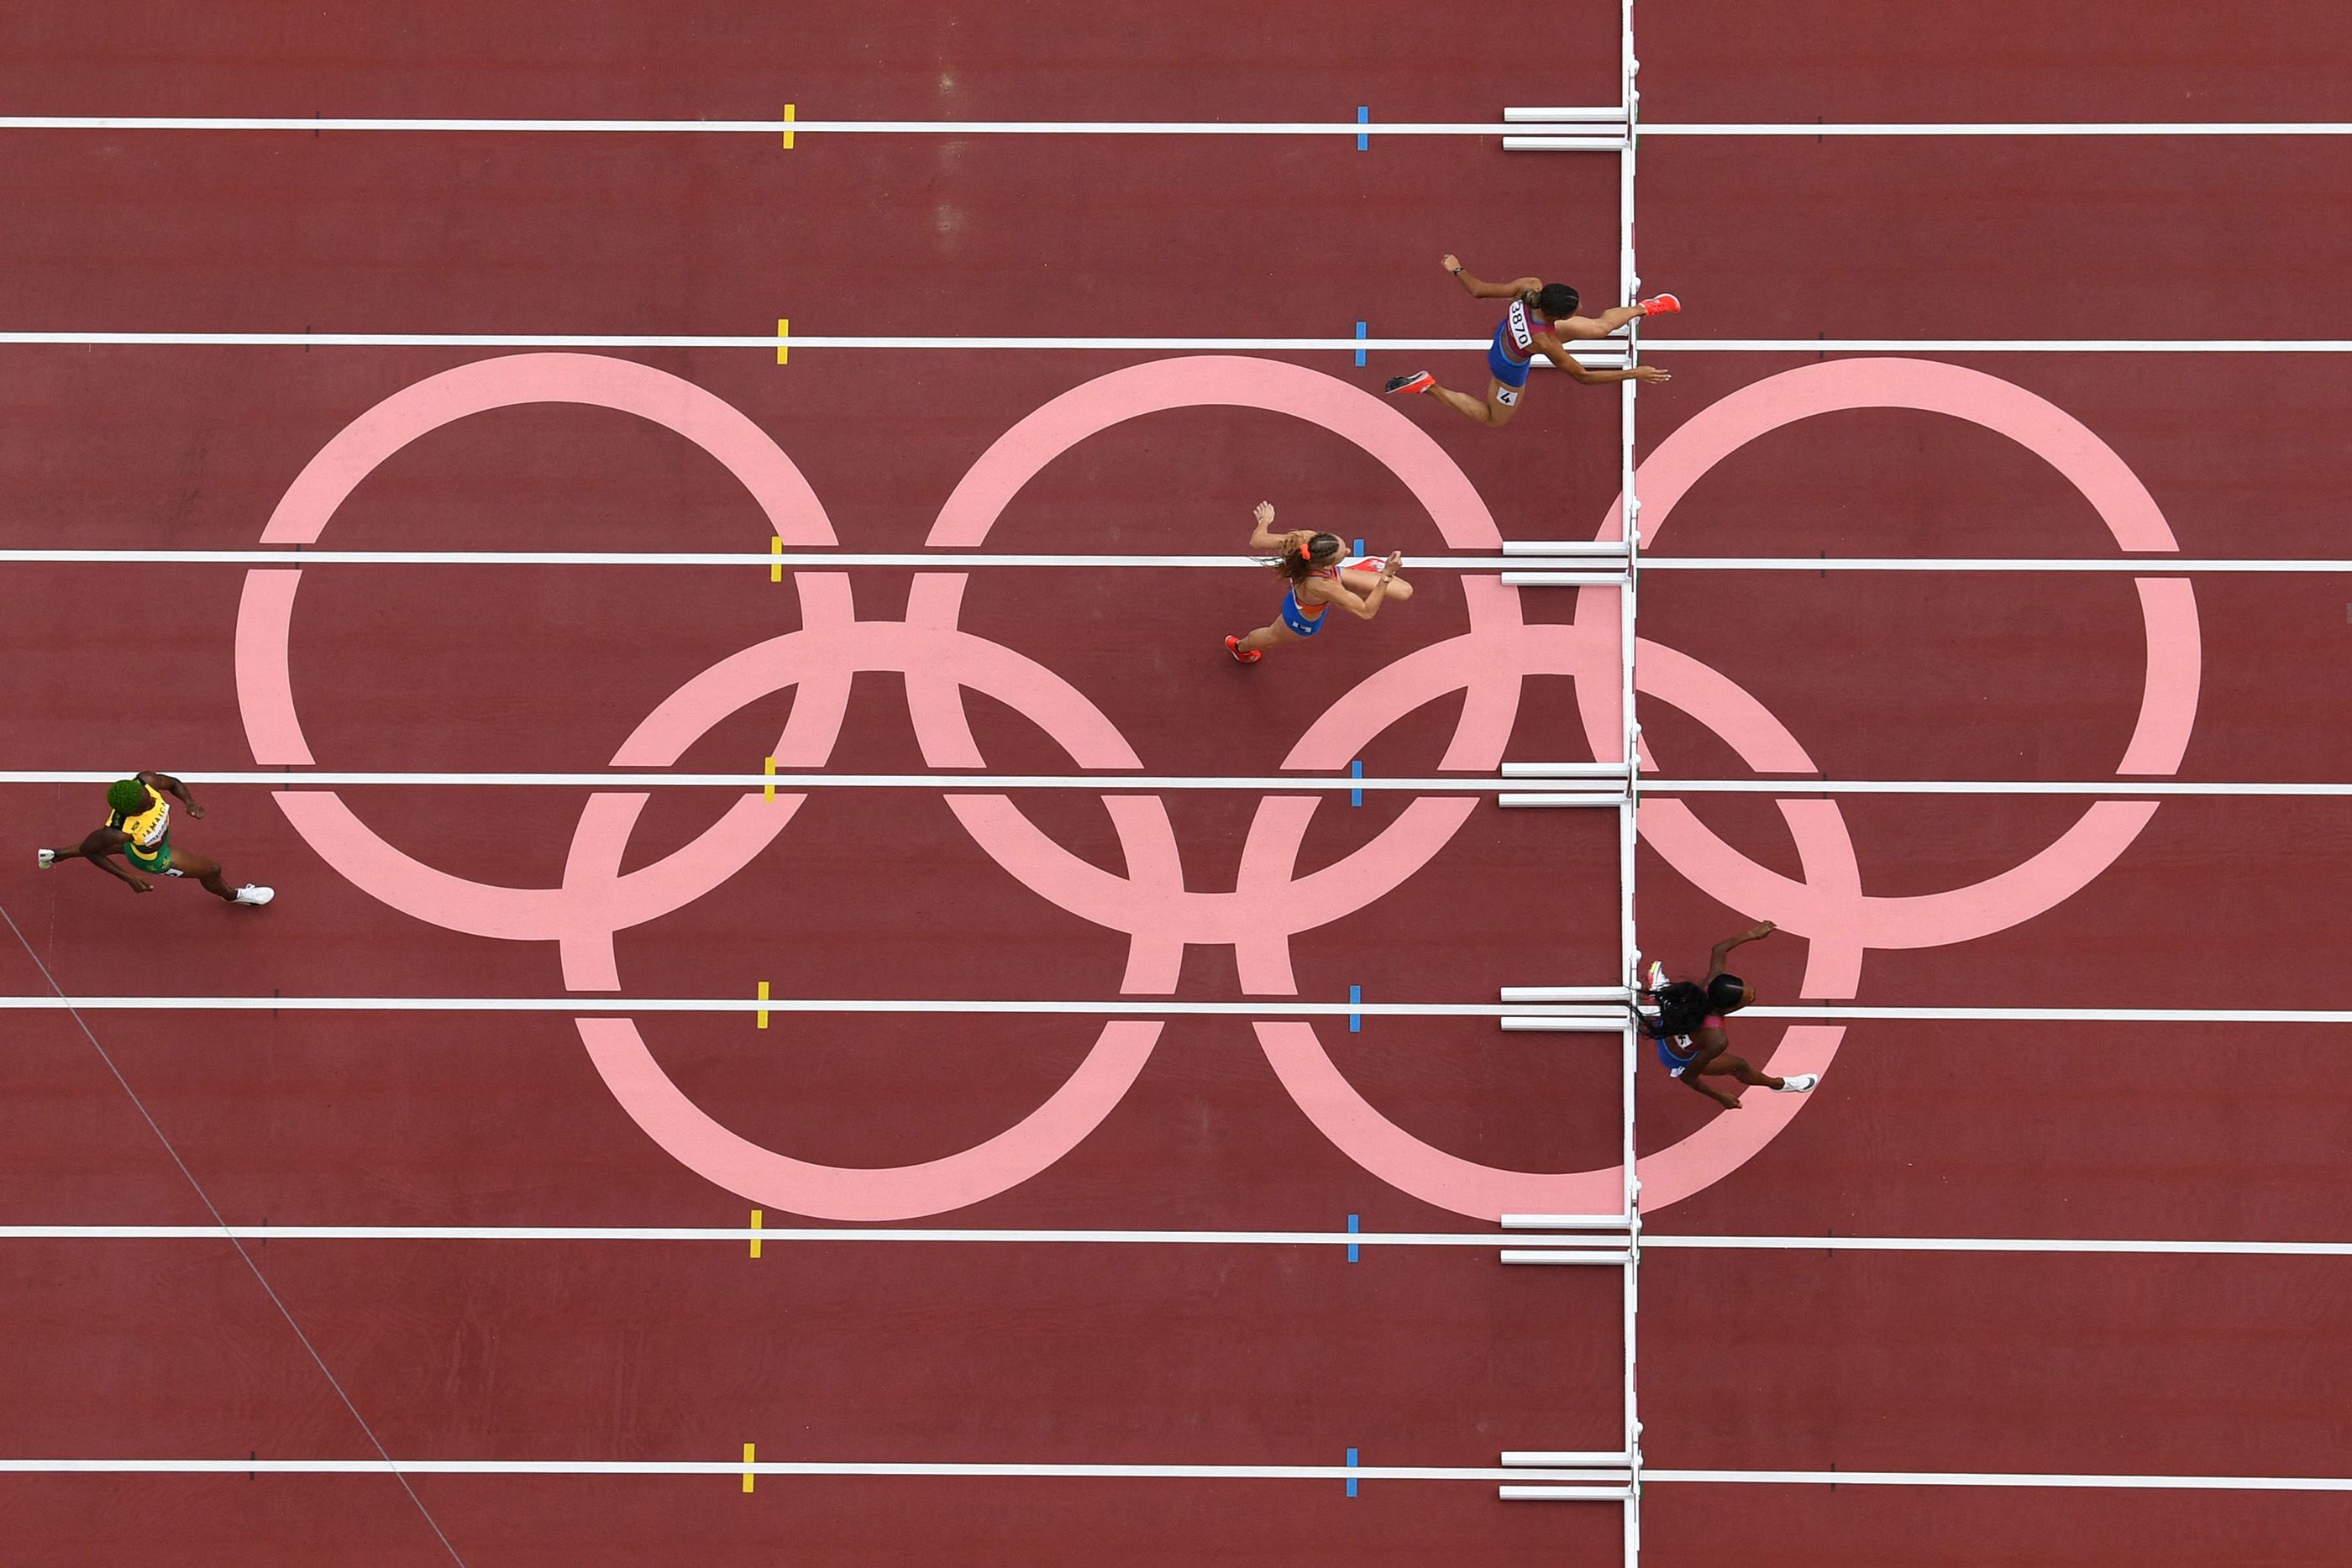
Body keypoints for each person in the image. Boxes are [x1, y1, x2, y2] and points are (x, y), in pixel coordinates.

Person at [1384, 254, 1677, 429]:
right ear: (1556, 316)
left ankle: (1647, 306)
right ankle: (1429, 386)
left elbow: (1478, 291)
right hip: (1507, 368)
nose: (1580, 309)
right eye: (1574, 310)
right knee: (1492, 418)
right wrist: (1633, 374)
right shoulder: (1546, 341)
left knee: (1599, 328)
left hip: (1510, 334)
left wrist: (1457, 269)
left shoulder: (1530, 287)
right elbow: (1582, 377)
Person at [1636, 921, 1815, 1109]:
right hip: (1675, 1057)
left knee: (1686, 998)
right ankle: (1781, 1085)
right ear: (1729, 1007)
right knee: (1740, 1066)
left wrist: (1752, 934)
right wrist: (1719, 1096)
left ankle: (1661, 996)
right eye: (1749, 996)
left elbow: (1719, 950)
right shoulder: (1717, 1039)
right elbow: (1688, 1076)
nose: (1752, 992)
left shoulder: (1710, 985)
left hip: (1667, 1024)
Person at [37, 773, 273, 905]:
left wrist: (189, 802)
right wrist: (128, 877)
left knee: (114, 847)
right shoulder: (118, 830)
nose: (151, 801)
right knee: (212, 870)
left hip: (144, 841)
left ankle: (54, 855)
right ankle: (236, 896)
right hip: (154, 857)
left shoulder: (146, 782)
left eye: (148, 797)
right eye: (146, 805)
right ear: (131, 812)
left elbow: (173, 784)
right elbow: (91, 850)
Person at [1225, 501, 1410, 664]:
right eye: (1342, 554)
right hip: (1300, 619)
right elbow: (1366, 611)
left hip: (1325, 579)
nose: (1347, 550)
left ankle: (1355, 573)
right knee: (1270, 636)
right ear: (1328, 564)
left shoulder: (1305, 539)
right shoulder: (1325, 586)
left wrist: (1264, 520)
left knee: (1404, 591)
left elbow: (1257, 540)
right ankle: (1240, 648)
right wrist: (1387, 573)